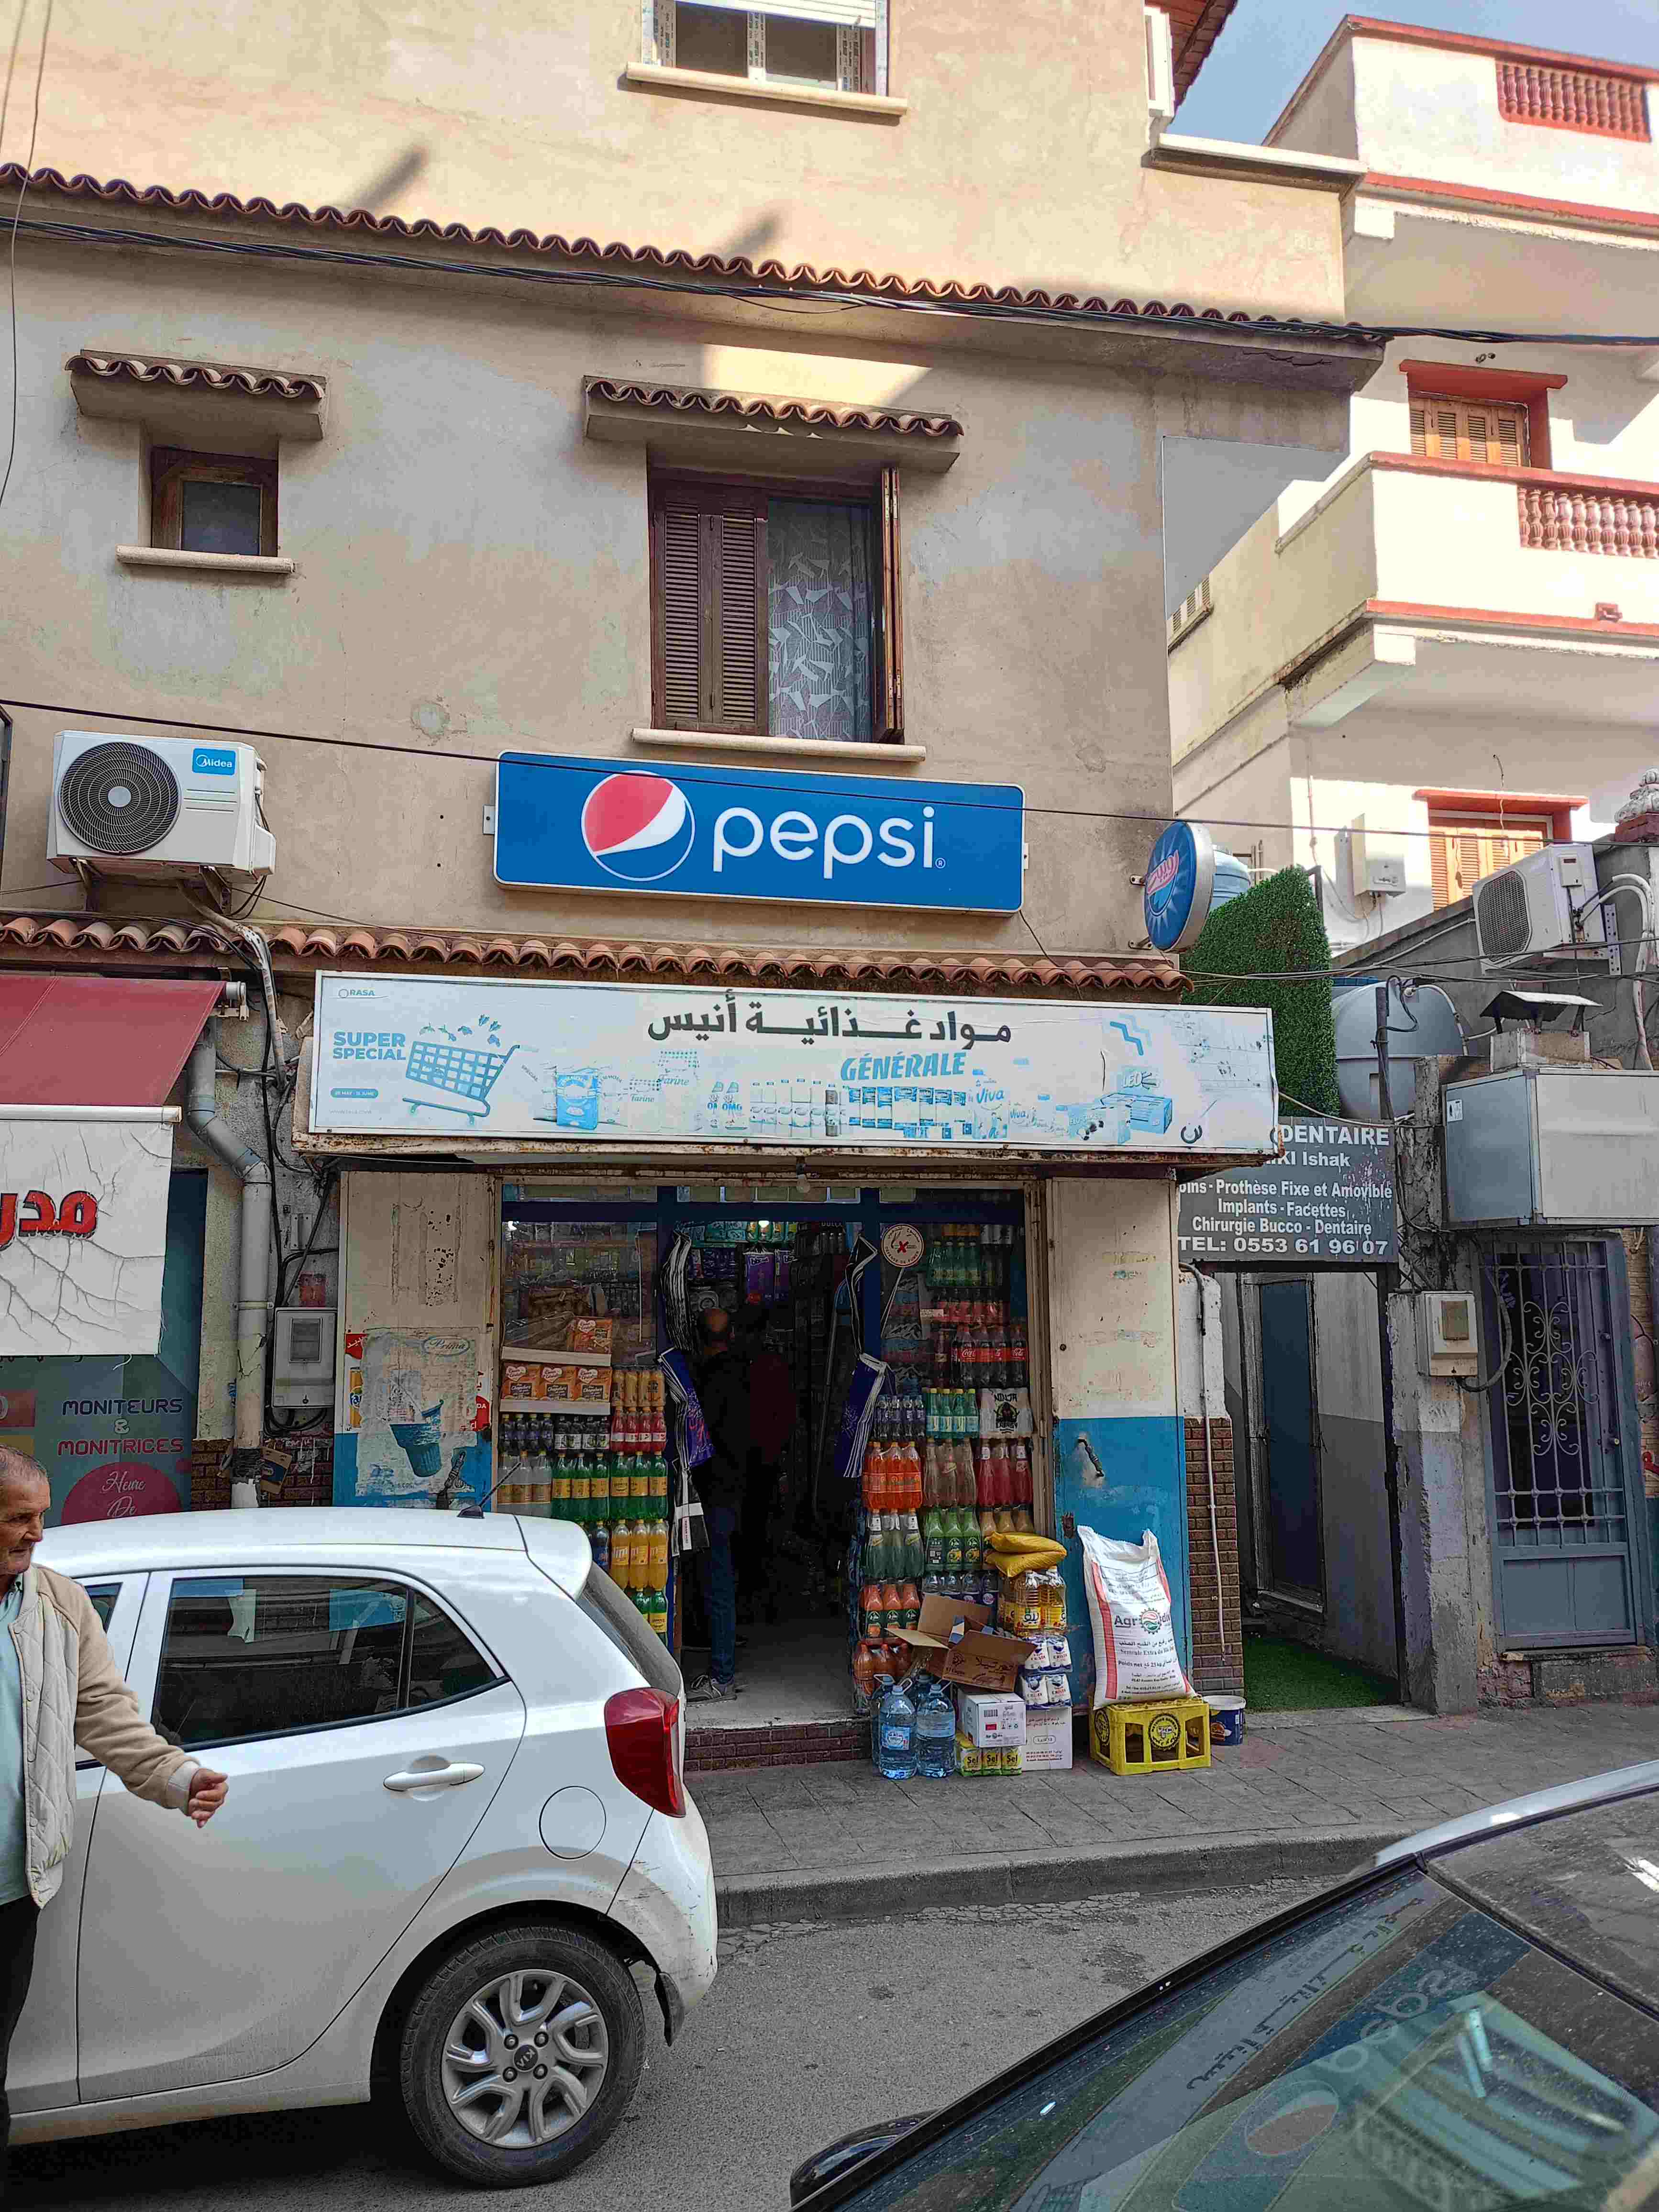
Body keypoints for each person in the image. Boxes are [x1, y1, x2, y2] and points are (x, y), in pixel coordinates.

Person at [0, 1449, 228, 2181]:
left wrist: (177, 1776)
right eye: (19, 1518)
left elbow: (104, 1713)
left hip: (12, 1893)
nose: (37, 1534)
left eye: (41, 1516)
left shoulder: (60, 1606)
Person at [689, 1308, 748, 1702]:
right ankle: (720, 1660)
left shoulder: (710, 1382)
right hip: (731, 1490)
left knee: (718, 1582)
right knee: (719, 1580)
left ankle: (722, 1675)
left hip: (715, 1493)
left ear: (700, 1339)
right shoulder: (740, 1376)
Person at [733, 1302, 795, 1619]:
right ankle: (759, 1591)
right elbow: (787, 1416)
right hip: (762, 1459)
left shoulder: (740, 1366)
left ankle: (752, 1590)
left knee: (750, 1528)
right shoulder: (772, 1365)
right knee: (759, 1527)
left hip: (747, 1460)